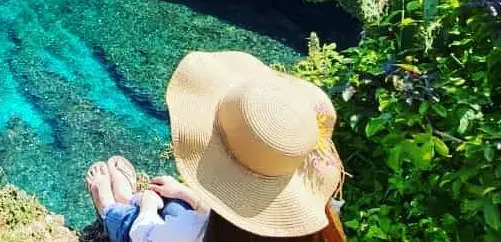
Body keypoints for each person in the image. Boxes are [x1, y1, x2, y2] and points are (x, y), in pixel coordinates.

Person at [86, 51, 347, 242]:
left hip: (151, 233)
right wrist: (187, 194)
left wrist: (147, 206)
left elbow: (144, 232)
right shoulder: (305, 235)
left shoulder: (185, 235)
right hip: (201, 226)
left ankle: (110, 206)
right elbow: (226, 218)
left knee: (127, 220)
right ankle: (131, 198)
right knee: (176, 204)